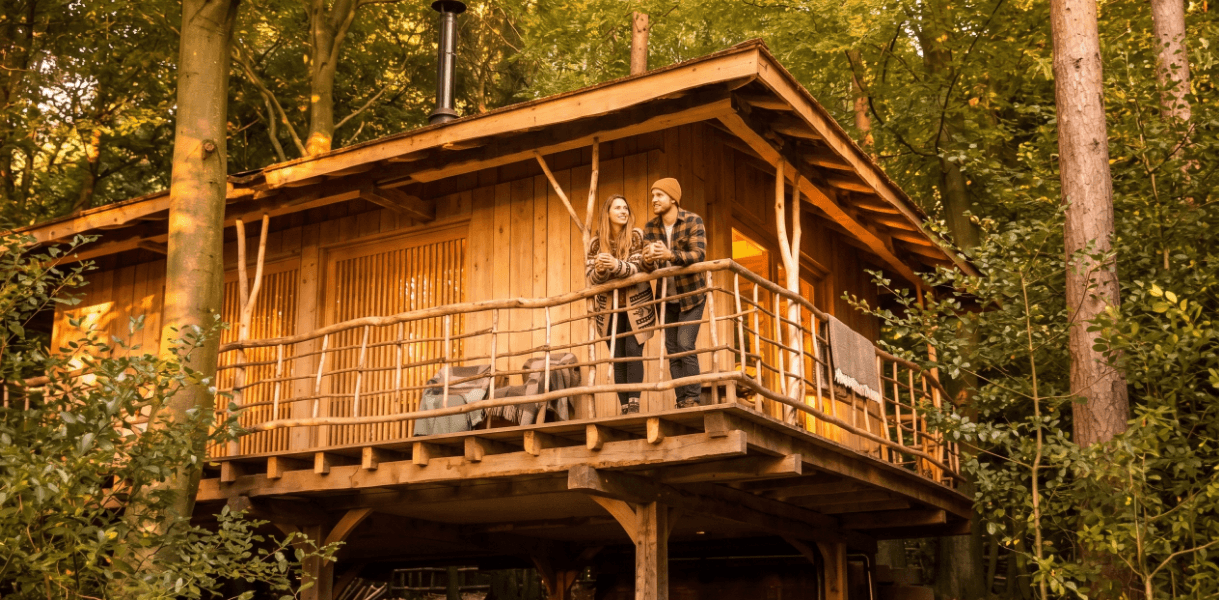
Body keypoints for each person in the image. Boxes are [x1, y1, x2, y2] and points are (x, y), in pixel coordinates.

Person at [586, 194, 656, 415]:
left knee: (632, 350)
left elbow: (637, 268)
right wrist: (599, 270)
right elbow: (590, 276)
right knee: (617, 355)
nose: (623, 211)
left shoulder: (636, 236)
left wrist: (615, 265)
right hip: (608, 309)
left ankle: (634, 404)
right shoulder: (596, 243)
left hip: (637, 306)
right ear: (607, 213)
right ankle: (624, 406)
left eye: (625, 208)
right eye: (617, 208)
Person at [641, 178, 706, 409]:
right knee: (672, 349)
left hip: (692, 296)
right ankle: (682, 400)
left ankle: (694, 398)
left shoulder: (692, 220)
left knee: (685, 343)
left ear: (672, 198)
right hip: (666, 300)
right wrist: (647, 259)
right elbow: (646, 266)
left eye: (658, 195)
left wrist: (670, 255)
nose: (654, 200)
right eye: (652, 195)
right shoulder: (650, 227)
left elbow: (698, 255)